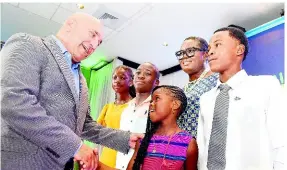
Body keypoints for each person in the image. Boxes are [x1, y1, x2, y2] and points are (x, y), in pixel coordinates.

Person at [1, 12, 142, 170]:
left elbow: (84, 125)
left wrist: (125, 139)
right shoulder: (29, 44)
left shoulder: (81, 79)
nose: (95, 45)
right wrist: (75, 146)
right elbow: (13, 101)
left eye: (99, 42)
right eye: (93, 34)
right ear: (70, 25)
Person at [197, 26, 286, 170]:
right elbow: (202, 145)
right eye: (209, 47)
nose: (210, 51)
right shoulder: (205, 99)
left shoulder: (266, 85)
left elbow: (281, 140)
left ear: (239, 50)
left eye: (218, 44)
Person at [126, 85, 198, 170]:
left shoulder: (188, 143)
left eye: (157, 99)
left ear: (175, 105)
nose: (151, 103)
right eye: (151, 100)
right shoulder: (143, 140)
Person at [115, 62, 160, 170]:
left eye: (147, 73)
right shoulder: (126, 109)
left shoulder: (157, 108)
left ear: (156, 82)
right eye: (138, 72)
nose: (140, 75)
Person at [175, 36, 218, 137]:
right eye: (180, 53)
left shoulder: (217, 80)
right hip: (181, 148)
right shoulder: (183, 89)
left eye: (190, 51)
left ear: (206, 54)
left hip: (207, 147)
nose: (184, 56)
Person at [97, 65, 135, 168]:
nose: (117, 81)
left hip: (125, 158)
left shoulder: (136, 107)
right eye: (114, 77)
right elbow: (97, 132)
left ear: (131, 82)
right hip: (107, 156)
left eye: (122, 78)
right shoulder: (107, 107)